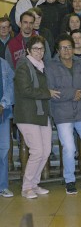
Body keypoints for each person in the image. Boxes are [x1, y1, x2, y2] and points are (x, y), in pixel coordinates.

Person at [46, 34, 81, 194]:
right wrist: (73, 93)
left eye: (69, 47)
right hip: (62, 113)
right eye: (63, 47)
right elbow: (52, 91)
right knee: (69, 147)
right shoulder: (50, 67)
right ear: (58, 50)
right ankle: (69, 180)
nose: (67, 50)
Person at [14, 36, 60, 199]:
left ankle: (34, 184)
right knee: (37, 151)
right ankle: (26, 187)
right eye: (36, 49)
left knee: (46, 151)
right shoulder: (23, 66)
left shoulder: (42, 66)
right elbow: (25, 90)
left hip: (42, 114)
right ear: (28, 50)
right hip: (27, 115)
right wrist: (47, 93)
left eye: (41, 49)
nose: (39, 52)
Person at [0, 57, 14, 198]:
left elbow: (11, 85)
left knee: (3, 151)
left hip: (2, 114)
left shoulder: (4, 64)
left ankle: (2, 186)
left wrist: (3, 104)